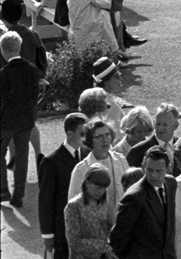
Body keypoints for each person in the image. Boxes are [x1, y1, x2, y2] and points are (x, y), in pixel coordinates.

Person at [108, 146, 177, 259]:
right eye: (149, 170)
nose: (154, 175)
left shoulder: (171, 183)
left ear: (168, 169)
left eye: (159, 171)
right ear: (143, 167)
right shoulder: (134, 197)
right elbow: (118, 238)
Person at [39, 112, 89, 259]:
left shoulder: (89, 154)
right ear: (69, 133)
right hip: (62, 228)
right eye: (82, 133)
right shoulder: (51, 161)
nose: (86, 137)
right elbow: (45, 201)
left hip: (86, 225)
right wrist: (47, 234)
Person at [0, 30, 40, 209]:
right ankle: (19, 195)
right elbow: (34, 97)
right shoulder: (32, 70)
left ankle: (2, 191)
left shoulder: (4, 73)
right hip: (26, 121)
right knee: (22, 157)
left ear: (3, 50)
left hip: (6, 122)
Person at [63, 164, 116, 259]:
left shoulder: (103, 202)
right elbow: (74, 242)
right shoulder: (74, 206)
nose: (101, 191)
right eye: (97, 187)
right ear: (87, 183)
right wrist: (102, 245)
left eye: (104, 188)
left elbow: (106, 227)